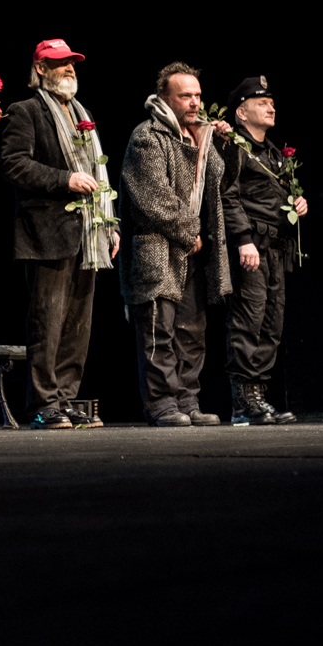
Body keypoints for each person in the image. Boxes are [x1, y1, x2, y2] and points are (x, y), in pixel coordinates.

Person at [0, 38, 118, 430]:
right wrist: (65, 179)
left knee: (77, 327)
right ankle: (43, 403)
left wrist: (110, 224)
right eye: (59, 62)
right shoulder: (26, 111)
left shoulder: (83, 114)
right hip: (47, 233)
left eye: (72, 63)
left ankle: (65, 399)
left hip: (89, 234)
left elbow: (98, 174)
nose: (69, 68)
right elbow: (14, 164)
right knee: (46, 324)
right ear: (40, 68)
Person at [117, 61, 231, 427]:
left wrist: (215, 141)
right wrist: (189, 232)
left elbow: (219, 180)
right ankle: (162, 404)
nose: (195, 102)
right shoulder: (147, 136)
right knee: (158, 331)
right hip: (158, 249)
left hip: (192, 251)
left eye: (198, 95)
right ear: (165, 98)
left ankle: (187, 401)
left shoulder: (197, 135)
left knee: (192, 333)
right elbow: (153, 198)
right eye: (185, 96)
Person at [220, 76, 305, 425]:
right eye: (261, 103)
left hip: (276, 249)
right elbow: (227, 196)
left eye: (271, 102)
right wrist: (243, 239)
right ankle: (243, 402)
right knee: (248, 321)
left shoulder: (272, 152)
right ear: (241, 112)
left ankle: (259, 395)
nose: (271, 107)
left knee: (272, 323)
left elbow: (274, 196)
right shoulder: (235, 147)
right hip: (252, 246)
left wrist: (296, 202)